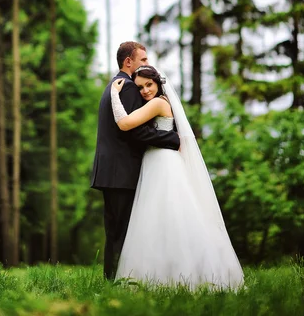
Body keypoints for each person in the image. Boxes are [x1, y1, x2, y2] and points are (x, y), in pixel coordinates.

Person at [110, 65, 244, 290]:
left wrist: (114, 93)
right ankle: (168, 274)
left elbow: (124, 124)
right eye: (140, 87)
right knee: (162, 219)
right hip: (158, 161)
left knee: (166, 216)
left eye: (148, 85)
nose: (144, 91)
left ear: (158, 83)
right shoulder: (158, 102)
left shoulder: (158, 103)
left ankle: (177, 275)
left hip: (163, 163)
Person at [90, 42, 180, 280]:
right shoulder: (127, 88)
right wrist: (173, 139)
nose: (147, 64)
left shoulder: (114, 85)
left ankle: (113, 279)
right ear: (128, 62)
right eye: (143, 60)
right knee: (122, 231)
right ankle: (117, 282)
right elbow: (135, 131)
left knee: (115, 230)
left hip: (111, 170)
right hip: (122, 171)